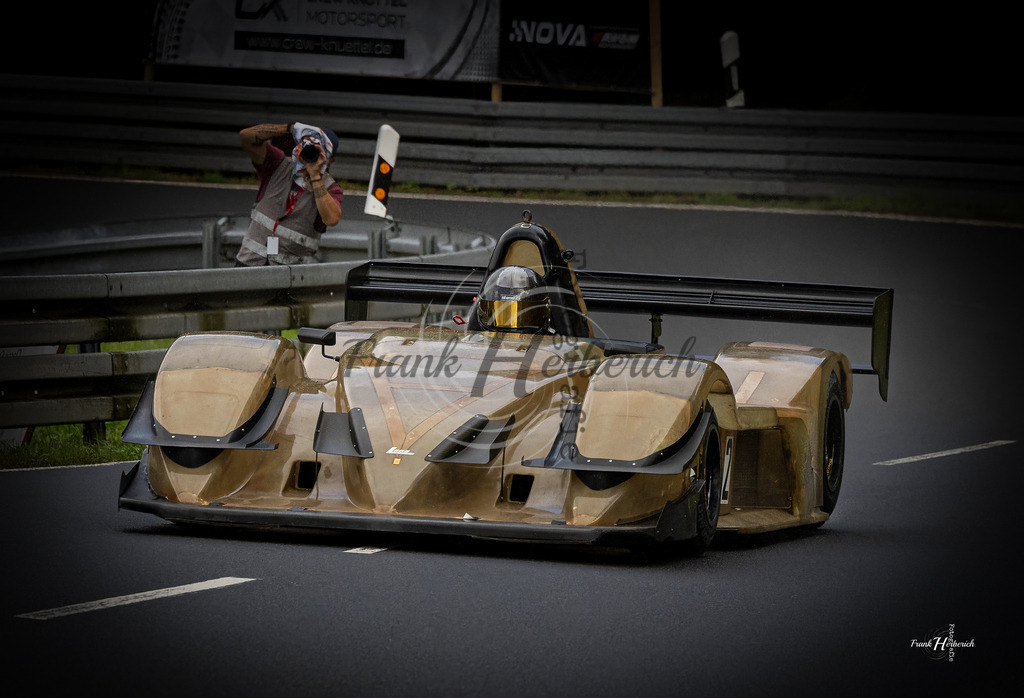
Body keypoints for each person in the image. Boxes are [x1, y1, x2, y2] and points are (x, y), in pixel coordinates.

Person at [235, 122, 344, 266]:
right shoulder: (278, 164)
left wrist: (315, 175)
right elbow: (245, 137)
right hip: (249, 263)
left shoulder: (330, 189)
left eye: (319, 151)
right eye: (308, 146)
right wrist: (289, 129)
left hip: (289, 276)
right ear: (299, 145)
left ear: (330, 160)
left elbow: (331, 219)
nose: (311, 153)